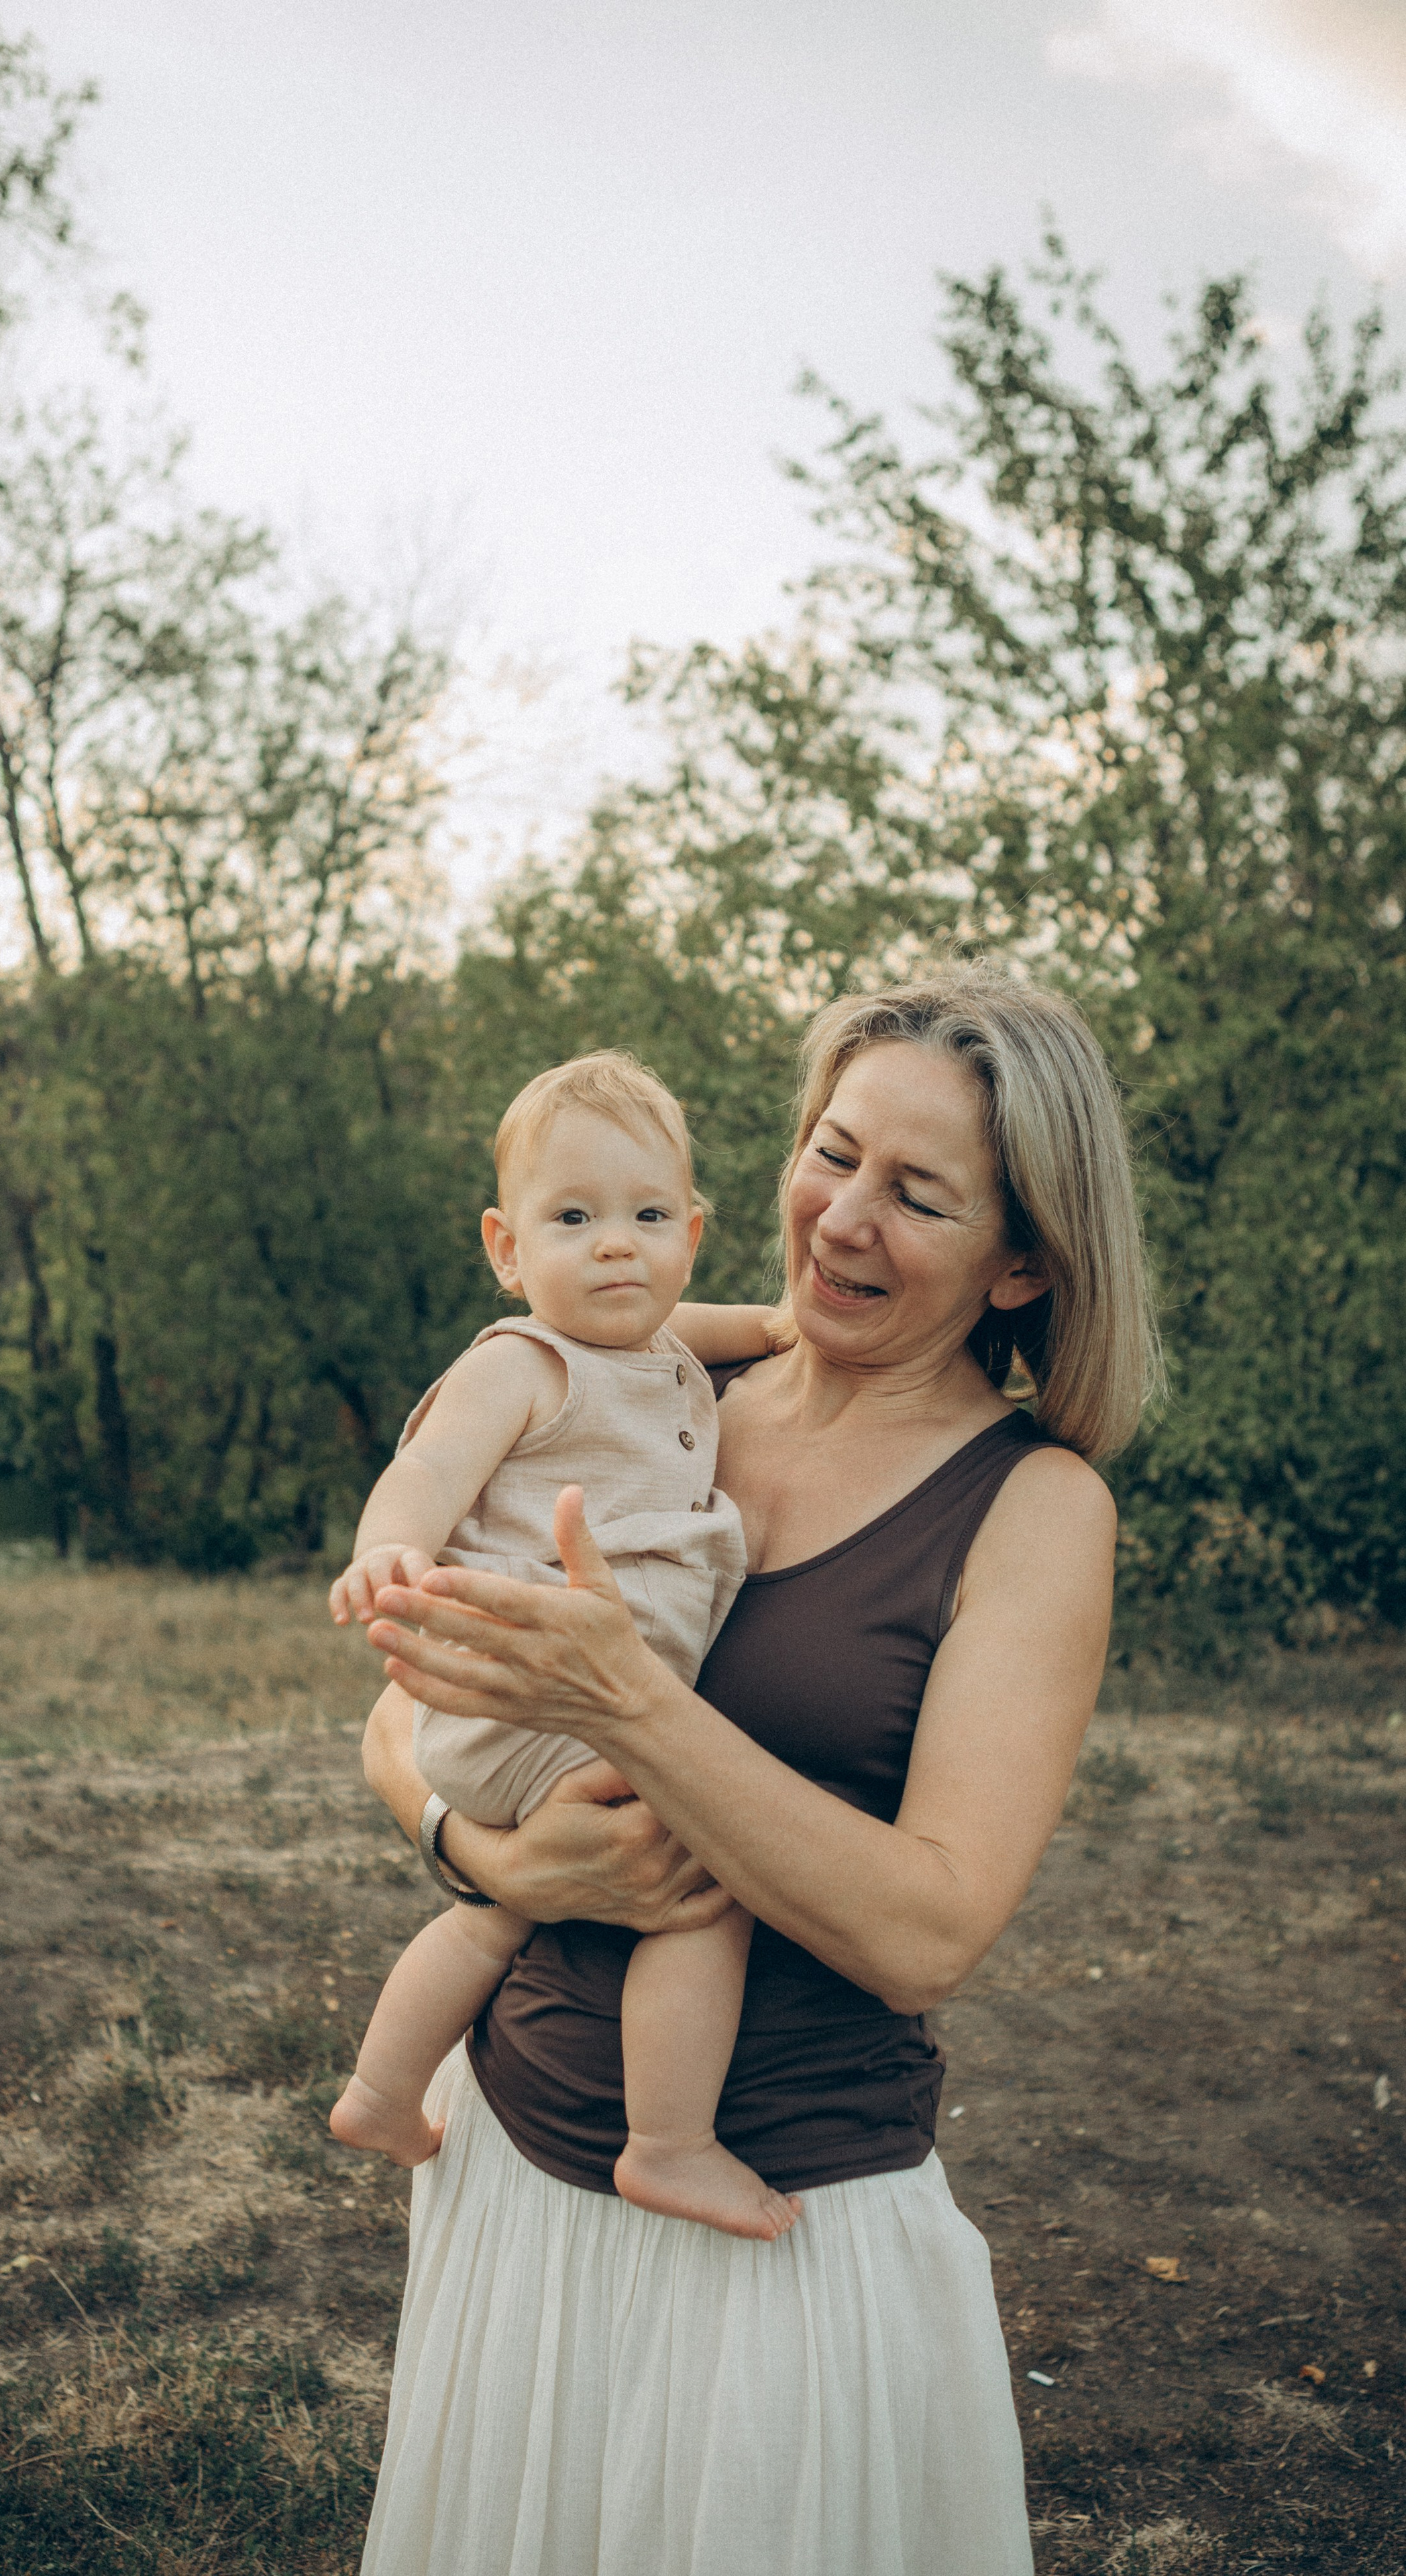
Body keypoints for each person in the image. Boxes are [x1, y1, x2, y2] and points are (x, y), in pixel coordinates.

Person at [350, 963, 1159, 2576]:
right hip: (515, 2158)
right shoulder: (652, 1384)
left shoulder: (1031, 1510)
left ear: (1018, 1264)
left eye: (916, 1194)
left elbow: (927, 1932)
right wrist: (483, 1854)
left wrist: (631, 1709)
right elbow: (400, 1715)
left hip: (786, 2220)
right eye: (832, 1154)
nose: (842, 1218)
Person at [327, 1051, 804, 2239]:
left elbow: (707, 1322)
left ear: (691, 1235)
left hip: (552, 1714)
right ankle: (669, 2143)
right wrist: (389, 1551)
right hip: (531, 1700)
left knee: (508, 1908)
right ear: (507, 1248)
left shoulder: (659, 1348)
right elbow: (428, 1469)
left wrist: (776, 1326)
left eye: (648, 1218)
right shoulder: (522, 1364)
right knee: (709, 1881)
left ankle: (383, 2092)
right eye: (574, 1219)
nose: (615, 1249)